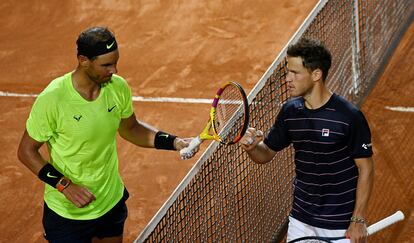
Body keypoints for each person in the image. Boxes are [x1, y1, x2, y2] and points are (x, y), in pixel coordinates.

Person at [17, 26, 195, 243]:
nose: (114, 71)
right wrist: (65, 186)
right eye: (106, 65)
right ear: (83, 60)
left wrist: (175, 142)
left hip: (110, 200)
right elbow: (26, 151)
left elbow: (131, 129)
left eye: (115, 62)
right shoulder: (53, 99)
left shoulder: (117, 88)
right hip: (68, 213)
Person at [240, 38, 374, 243]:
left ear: (316, 75)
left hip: (338, 221)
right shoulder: (290, 112)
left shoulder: (349, 116)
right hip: (301, 218)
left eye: (294, 73)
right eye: (288, 72)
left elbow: (366, 169)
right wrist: (251, 147)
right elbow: (265, 152)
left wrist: (358, 219)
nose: (287, 79)